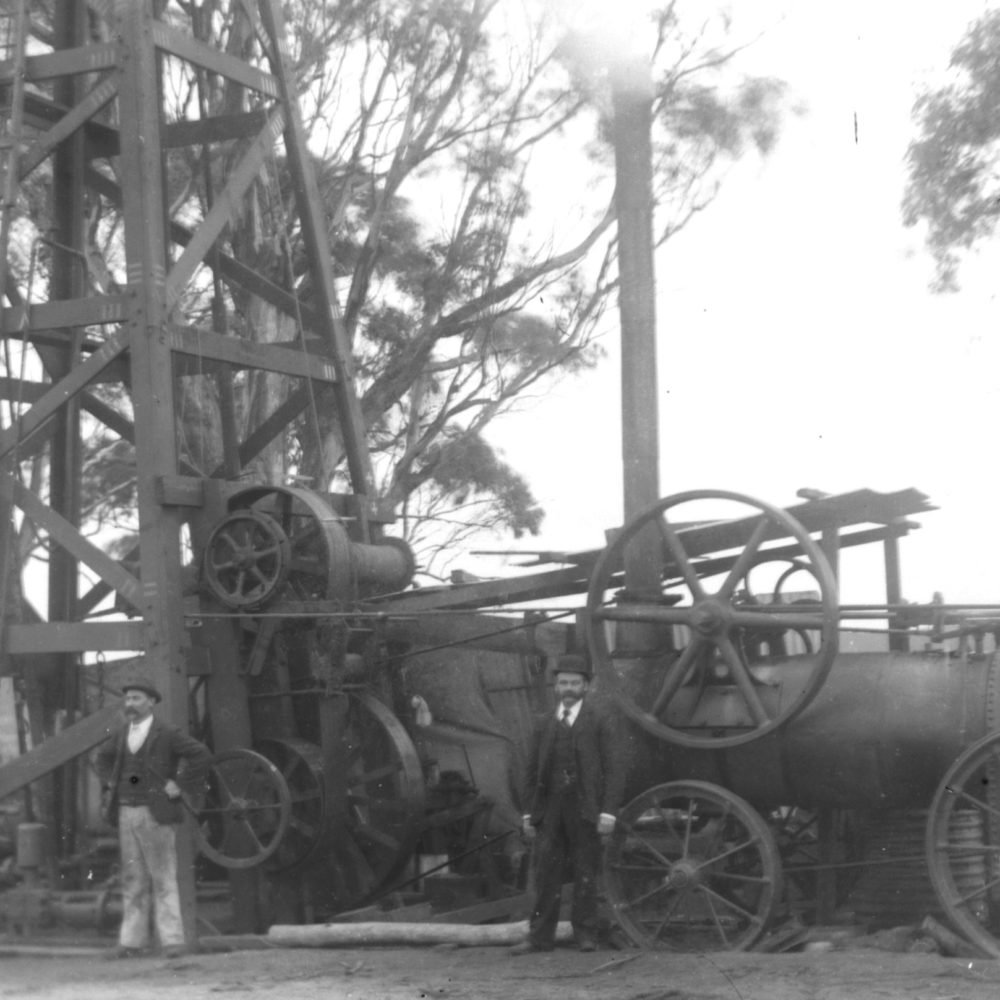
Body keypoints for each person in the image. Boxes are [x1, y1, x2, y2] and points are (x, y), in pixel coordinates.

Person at [511, 653, 627, 955]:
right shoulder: (544, 723)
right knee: (545, 874)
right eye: (563, 682)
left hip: (585, 809)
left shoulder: (600, 720)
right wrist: (527, 815)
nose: (569, 688)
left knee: (585, 872)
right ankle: (539, 938)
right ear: (555, 687)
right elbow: (531, 771)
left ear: (586, 687)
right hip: (549, 811)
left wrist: (608, 813)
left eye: (575, 682)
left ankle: (585, 935)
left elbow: (615, 769)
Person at [95, 676, 212, 959]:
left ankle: (172, 942)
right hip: (126, 811)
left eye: (136, 698)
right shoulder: (123, 732)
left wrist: (179, 783)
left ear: (151, 702)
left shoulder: (168, 732)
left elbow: (201, 755)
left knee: (163, 877)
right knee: (133, 878)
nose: (130, 704)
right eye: (128, 699)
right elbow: (102, 758)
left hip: (155, 813)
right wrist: (110, 782)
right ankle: (131, 942)